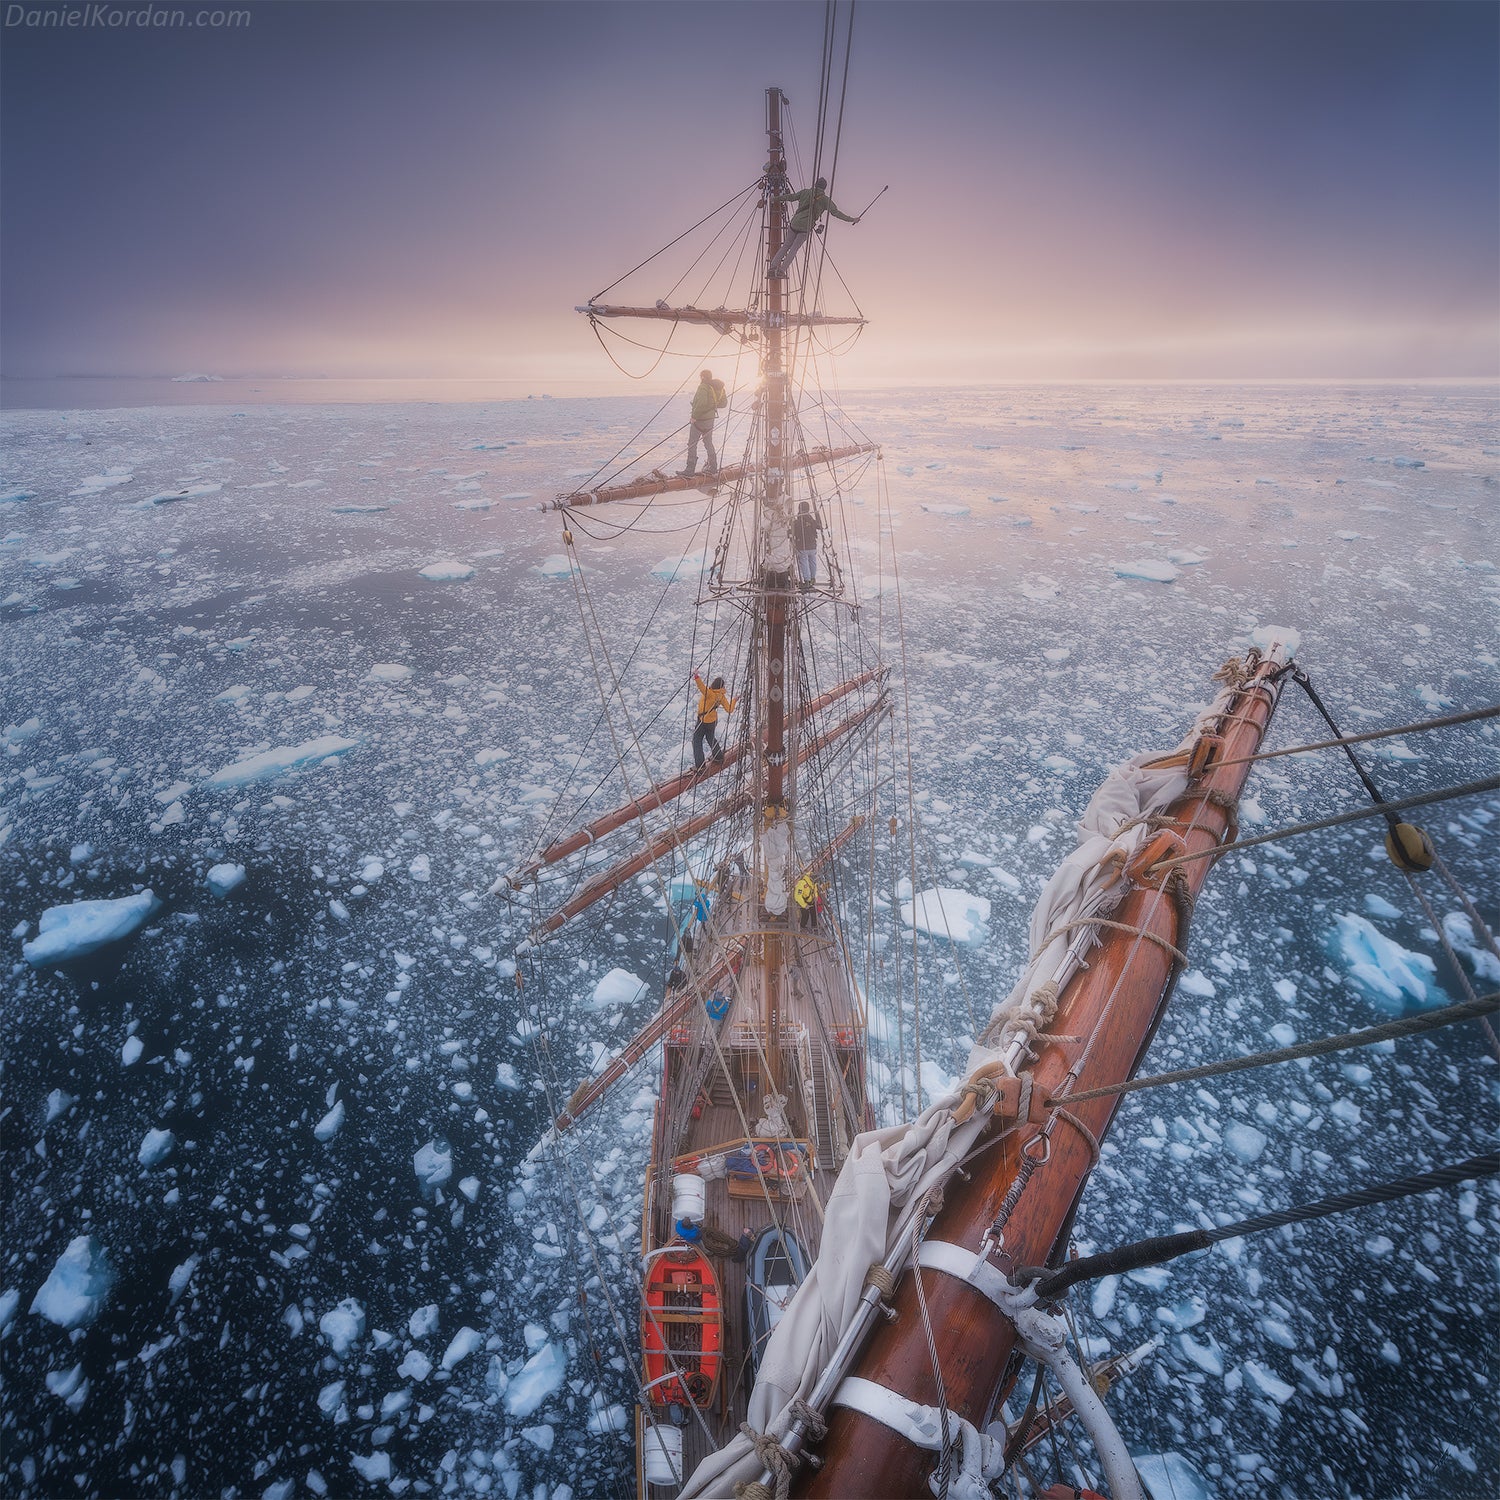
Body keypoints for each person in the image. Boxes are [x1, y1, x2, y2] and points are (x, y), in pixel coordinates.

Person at [767, 177, 860, 279]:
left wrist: (774, 199)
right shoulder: (825, 200)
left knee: (786, 246)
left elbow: (791, 197)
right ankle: (781, 271)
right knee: (793, 249)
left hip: (795, 223)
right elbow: (836, 213)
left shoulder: (805, 192)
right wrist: (852, 219)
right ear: (825, 188)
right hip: (805, 228)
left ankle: (772, 268)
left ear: (815, 184)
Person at [679, 369, 727, 478]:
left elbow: (701, 404)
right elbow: (724, 403)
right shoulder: (719, 387)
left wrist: (694, 417)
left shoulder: (703, 387)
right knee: (708, 443)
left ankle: (690, 469)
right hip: (710, 420)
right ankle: (713, 467)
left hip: (699, 420)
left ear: (702, 377)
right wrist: (712, 406)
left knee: (692, 444)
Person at [691, 671, 737, 769]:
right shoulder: (721, 696)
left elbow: (701, 687)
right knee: (710, 737)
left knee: (697, 740)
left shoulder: (710, 694)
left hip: (703, 721)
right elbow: (729, 709)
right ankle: (718, 756)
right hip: (713, 721)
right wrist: (734, 700)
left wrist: (696, 676)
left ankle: (700, 766)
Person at [792, 500, 822, 588]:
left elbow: (792, 532)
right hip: (813, 546)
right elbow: (819, 526)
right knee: (812, 562)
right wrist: (817, 515)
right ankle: (812, 578)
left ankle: (807, 581)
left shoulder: (797, 522)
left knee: (804, 562)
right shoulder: (812, 520)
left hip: (802, 547)